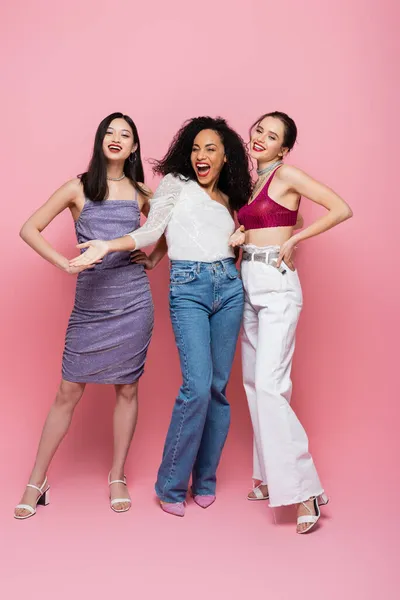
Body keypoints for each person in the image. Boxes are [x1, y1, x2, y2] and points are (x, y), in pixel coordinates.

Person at [69, 116, 252, 516]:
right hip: (189, 289)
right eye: (195, 148)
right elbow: (153, 229)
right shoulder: (175, 184)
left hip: (230, 285)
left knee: (219, 390)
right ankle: (171, 486)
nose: (201, 156)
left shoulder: (228, 197)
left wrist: (247, 235)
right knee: (198, 386)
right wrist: (110, 246)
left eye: (210, 149)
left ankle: (205, 480)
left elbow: (271, 224)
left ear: (225, 157)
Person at [14, 113, 154, 519]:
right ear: (100, 140)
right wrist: (64, 263)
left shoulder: (142, 191)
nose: (116, 138)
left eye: (125, 134)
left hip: (132, 301)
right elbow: (29, 228)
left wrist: (154, 256)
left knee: (127, 388)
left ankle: (117, 475)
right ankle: (36, 480)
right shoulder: (77, 187)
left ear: (134, 147)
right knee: (67, 391)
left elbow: (164, 229)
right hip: (91, 303)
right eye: (110, 132)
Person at [230, 111, 353, 534]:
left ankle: (305, 491)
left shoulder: (288, 174)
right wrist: (241, 235)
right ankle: (269, 477)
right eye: (259, 129)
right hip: (249, 283)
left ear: (284, 148)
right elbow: (278, 218)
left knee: (269, 385)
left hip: (278, 285)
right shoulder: (251, 183)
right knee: (252, 383)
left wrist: (295, 241)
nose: (261, 137)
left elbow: (341, 208)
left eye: (272, 135)